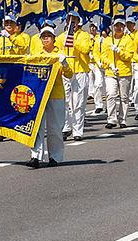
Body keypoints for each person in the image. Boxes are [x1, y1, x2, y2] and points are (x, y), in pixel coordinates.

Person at [26, 25, 70, 167]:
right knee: (37, 126)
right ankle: (35, 156)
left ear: (53, 39)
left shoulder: (60, 53)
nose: (45, 39)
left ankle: (55, 157)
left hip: (56, 94)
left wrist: (65, 64)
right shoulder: (37, 54)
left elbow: (69, 74)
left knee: (55, 128)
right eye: (43, 36)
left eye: (48, 36)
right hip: (39, 93)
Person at [57, 11, 92, 141]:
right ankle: (66, 128)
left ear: (78, 22)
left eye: (74, 21)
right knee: (65, 102)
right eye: (69, 20)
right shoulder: (61, 37)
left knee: (78, 103)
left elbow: (86, 49)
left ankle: (77, 131)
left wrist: (73, 40)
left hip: (80, 72)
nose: (72, 23)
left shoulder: (84, 36)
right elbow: (58, 52)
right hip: (66, 72)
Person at [102, 18, 134, 129]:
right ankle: (111, 119)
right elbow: (103, 56)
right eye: (116, 26)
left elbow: (129, 56)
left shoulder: (128, 40)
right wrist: (110, 64)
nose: (118, 28)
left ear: (124, 27)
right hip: (111, 72)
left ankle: (123, 119)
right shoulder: (107, 40)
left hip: (124, 72)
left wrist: (119, 52)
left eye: (120, 26)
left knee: (124, 97)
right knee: (110, 94)